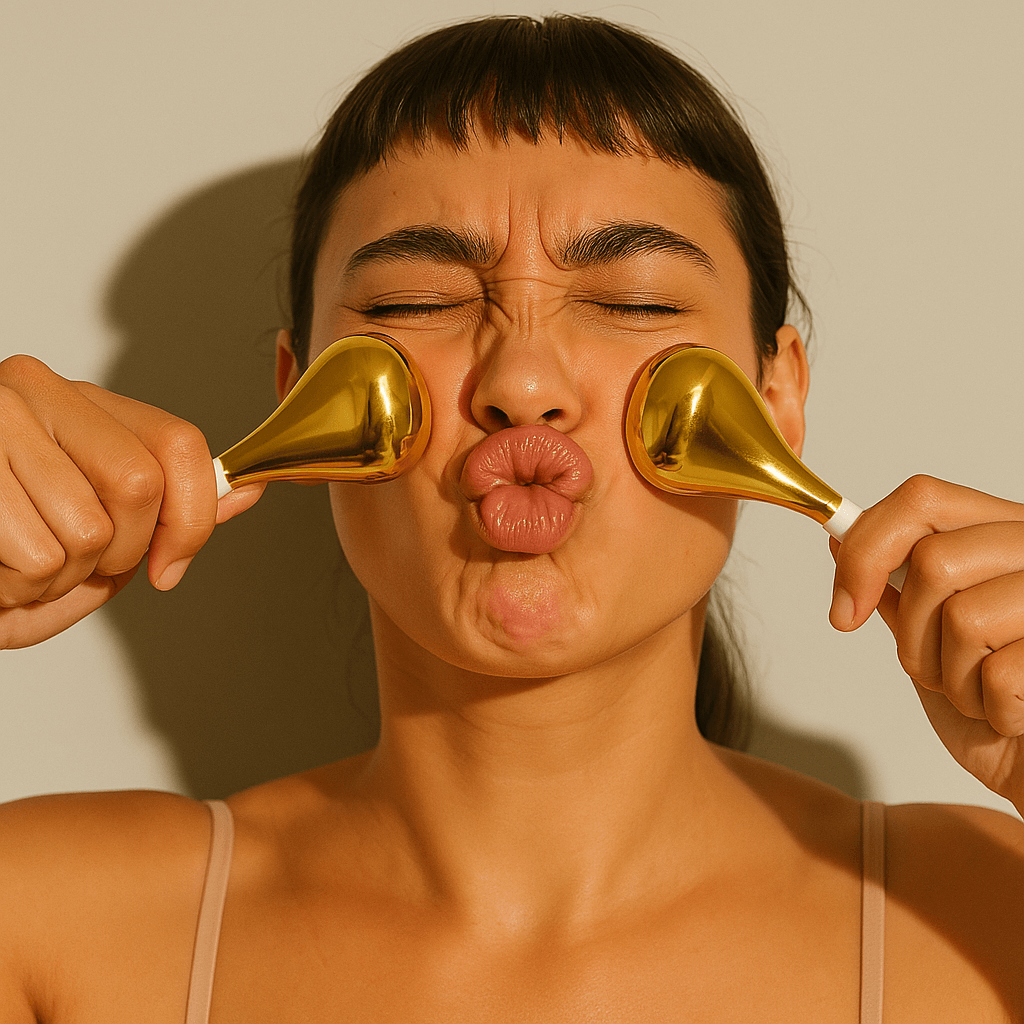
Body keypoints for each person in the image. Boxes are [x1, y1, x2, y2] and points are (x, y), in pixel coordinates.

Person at [1, 14, 1022, 1022]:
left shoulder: (990, 915)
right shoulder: (44, 923)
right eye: (412, 300)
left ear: (776, 397)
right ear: (298, 398)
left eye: (634, 302)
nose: (521, 380)